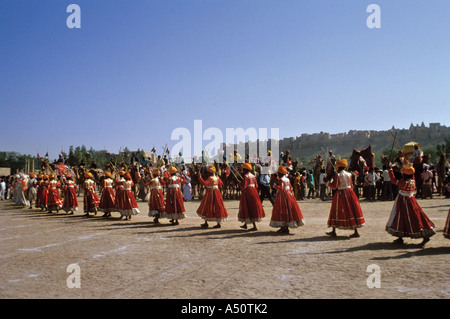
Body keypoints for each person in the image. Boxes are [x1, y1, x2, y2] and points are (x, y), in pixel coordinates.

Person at [386, 163, 435, 246]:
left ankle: (424, 236)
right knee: (407, 217)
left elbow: (393, 180)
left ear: (404, 174)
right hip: (410, 200)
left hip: (404, 201)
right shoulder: (412, 181)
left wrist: (390, 170)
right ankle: (400, 237)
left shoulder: (404, 182)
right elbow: (407, 174)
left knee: (405, 218)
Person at [326, 159, 365, 238]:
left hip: (341, 193)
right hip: (350, 192)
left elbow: (335, 186)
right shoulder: (350, 174)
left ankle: (334, 231)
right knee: (352, 210)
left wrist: (328, 183)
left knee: (336, 210)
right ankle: (355, 231)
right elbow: (351, 184)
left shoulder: (338, 175)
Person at [269, 166, 305, 234]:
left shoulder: (281, 180)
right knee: (289, 210)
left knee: (281, 210)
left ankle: (283, 227)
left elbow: (281, 188)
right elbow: (291, 188)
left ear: (280, 173)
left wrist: (275, 186)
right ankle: (286, 227)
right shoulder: (287, 179)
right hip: (289, 195)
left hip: (282, 196)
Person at [238, 162, 265, 231]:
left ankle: (254, 226)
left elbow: (244, 186)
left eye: (244, 169)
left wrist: (240, 183)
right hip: (254, 192)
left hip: (248, 192)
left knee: (248, 207)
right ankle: (246, 224)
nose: (243, 171)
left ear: (246, 170)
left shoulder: (246, 176)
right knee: (251, 207)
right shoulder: (253, 176)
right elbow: (256, 186)